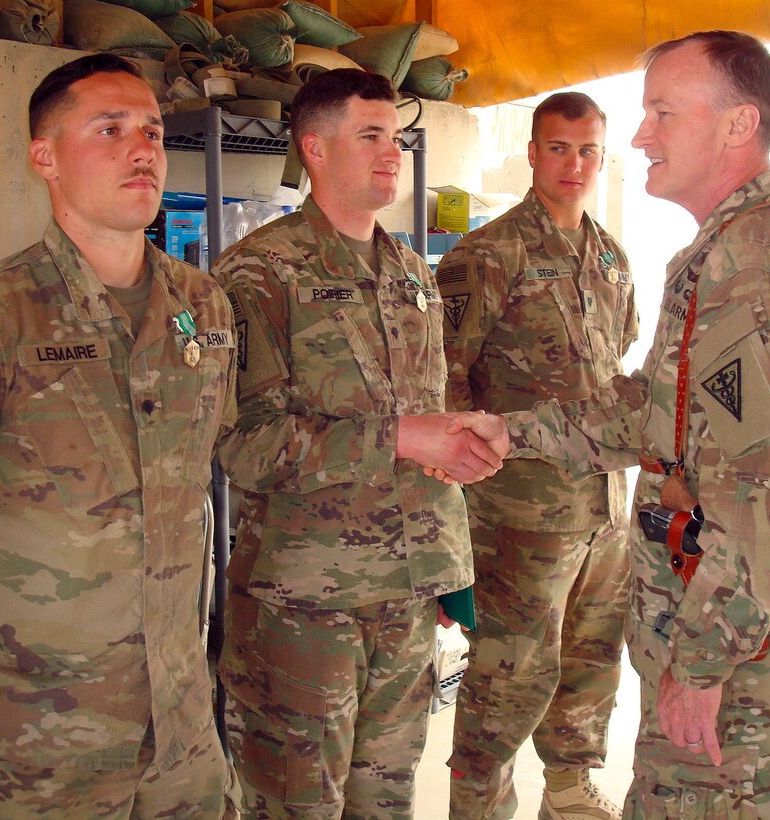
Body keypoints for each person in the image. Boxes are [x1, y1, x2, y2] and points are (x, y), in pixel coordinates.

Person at [444, 30, 770, 819]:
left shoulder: (757, 265)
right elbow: (652, 406)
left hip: (747, 648)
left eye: (661, 112)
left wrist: (701, 665)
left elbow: (764, 490)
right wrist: (515, 431)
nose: (638, 136)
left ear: (737, 125)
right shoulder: (723, 252)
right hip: (721, 622)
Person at [0, 54, 239, 818]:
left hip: (181, 729)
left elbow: (209, 462)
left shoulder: (204, 307)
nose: (142, 150)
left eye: (153, 131)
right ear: (46, 157)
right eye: (110, 129)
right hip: (36, 739)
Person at [211, 68, 505, 818]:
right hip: (304, 605)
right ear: (314, 148)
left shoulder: (410, 272)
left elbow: (426, 418)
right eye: (369, 136)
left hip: (404, 595)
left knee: (386, 796)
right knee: (296, 802)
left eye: (398, 138)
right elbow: (243, 442)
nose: (391, 154)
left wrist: (449, 562)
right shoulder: (257, 274)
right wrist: (401, 437)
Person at [437, 92, 636, 820]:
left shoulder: (609, 257)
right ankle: (479, 807)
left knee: (591, 661)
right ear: (530, 151)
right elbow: (445, 384)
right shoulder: (485, 257)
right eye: (558, 148)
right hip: (519, 516)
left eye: (587, 151)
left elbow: (617, 371)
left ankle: (568, 788)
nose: (573, 165)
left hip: (603, 508)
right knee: (506, 677)